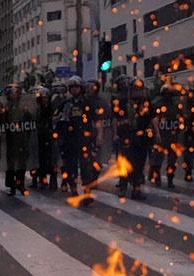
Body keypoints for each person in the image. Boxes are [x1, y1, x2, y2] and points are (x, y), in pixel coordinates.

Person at [57, 75, 102, 203]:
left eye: (76, 87)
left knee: (86, 166)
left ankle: (87, 192)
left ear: (81, 88)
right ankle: (73, 188)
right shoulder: (66, 104)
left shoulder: (87, 103)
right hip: (70, 141)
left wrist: (99, 135)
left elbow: (97, 120)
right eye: (72, 88)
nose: (74, 90)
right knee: (70, 166)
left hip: (84, 139)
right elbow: (57, 119)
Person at [113, 77, 156, 199]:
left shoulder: (147, 103)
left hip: (141, 138)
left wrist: (156, 133)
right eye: (135, 90)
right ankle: (123, 187)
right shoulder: (123, 102)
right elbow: (116, 119)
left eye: (140, 90)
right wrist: (115, 134)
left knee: (139, 164)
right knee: (124, 162)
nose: (138, 92)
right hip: (126, 136)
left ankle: (136, 189)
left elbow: (153, 118)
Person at [151, 83, 184, 188]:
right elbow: (154, 119)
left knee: (172, 159)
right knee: (158, 158)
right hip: (162, 134)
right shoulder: (157, 103)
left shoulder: (176, 105)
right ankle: (157, 178)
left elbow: (180, 119)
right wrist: (156, 133)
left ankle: (169, 179)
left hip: (172, 134)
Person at [4, 83, 35, 196]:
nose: (14, 95)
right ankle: (11, 185)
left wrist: (27, 112)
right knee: (11, 164)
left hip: (22, 138)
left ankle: (20, 184)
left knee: (21, 163)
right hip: (10, 139)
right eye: (12, 93)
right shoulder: (6, 106)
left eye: (16, 93)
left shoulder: (24, 106)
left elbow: (32, 119)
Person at [35, 86, 58, 190]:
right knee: (41, 159)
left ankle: (53, 180)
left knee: (53, 159)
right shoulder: (37, 109)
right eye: (42, 98)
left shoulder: (52, 108)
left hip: (51, 136)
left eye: (46, 98)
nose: (44, 100)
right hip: (40, 136)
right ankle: (42, 179)